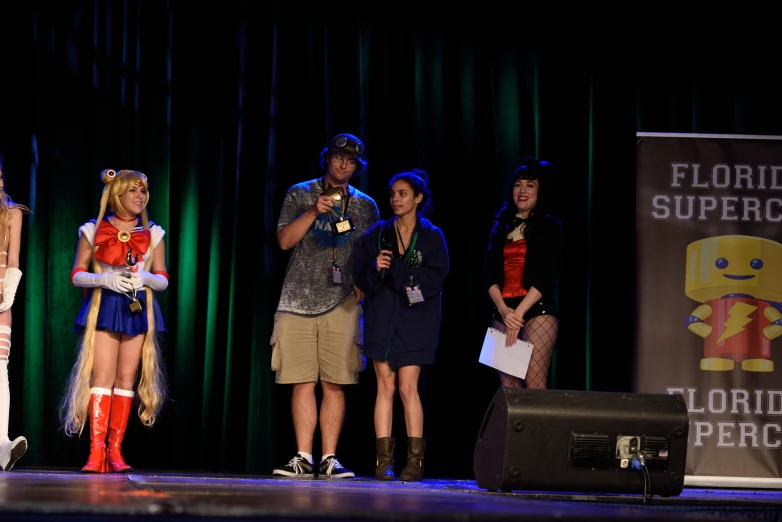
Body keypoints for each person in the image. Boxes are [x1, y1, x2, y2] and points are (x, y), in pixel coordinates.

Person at [271, 133, 379, 479]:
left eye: (350, 161)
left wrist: (365, 285)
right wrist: (313, 209)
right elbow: (285, 241)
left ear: (357, 166)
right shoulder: (300, 192)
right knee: (301, 381)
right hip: (296, 299)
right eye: (338, 157)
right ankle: (303, 456)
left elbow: (370, 253)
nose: (343, 164)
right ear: (327, 159)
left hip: (342, 302)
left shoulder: (366, 205)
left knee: (336, 382)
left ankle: (329, 458)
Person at [60, 169, 169, 473]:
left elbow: (162, 278)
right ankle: (96, 453)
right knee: (102, 377)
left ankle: (115, 452)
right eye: (134, 191)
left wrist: (145, 276)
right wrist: (103, 278)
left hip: (136, 307)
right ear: (116, 196)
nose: (140, 196)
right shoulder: (93, 230)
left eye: (143, 191)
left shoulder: (154, 232)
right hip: (106, 305)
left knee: (125, 379)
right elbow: (76, 274)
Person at [353, 168, 449, 482]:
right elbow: (360, 278)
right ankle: (383, 462)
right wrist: (374, 268)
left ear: (418, 198)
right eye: (393, 193)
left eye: (403, 194)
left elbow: (436, 279)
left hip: (417, 319)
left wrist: (396, 269)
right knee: (386, 387)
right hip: (383, 316)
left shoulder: (432, 235)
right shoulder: (379, 233)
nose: (395, 199)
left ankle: (415, 463)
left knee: (408, 388)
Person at [483, 157, 562, 390]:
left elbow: (545, 277)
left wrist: (518, 313)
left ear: (540, 191)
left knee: (535, 382)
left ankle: (545, 428)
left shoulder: (550, 227)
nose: (523, 190)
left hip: (537, 311)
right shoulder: (500, 227)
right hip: (503, 312)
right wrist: (504, 310)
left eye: (530, 185)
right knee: (509, 388)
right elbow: (489, 275)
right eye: (518, 184)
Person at [0, 168, 32, 471]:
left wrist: (8, 292)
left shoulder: (12, 213)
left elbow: (13, 259)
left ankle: (2, 444)